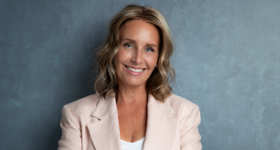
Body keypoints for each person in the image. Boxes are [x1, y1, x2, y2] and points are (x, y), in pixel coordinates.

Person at [58, 4, 202, 150]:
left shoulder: (185, 113)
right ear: (112, 50)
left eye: (149, 49)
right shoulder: (76, 114)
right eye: (128, 45)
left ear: (159, 58)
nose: (138, 59)